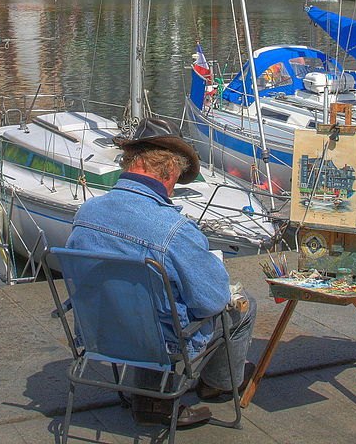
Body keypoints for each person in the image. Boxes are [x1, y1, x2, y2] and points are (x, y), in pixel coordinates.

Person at [66, 122, 257, 430]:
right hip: (161, 342)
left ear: (130, 163)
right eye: (178, 178)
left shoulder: (86, 214)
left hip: (99, 332)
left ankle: (148, 396)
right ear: (170, 169)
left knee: (152, 302)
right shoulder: (173, 230)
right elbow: (212, 301)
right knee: (241, 305)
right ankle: (217, 386)